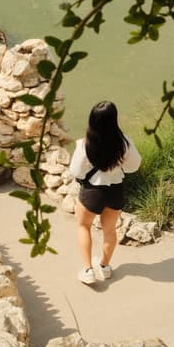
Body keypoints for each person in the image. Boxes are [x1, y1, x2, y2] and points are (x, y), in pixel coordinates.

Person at [69, 101, 141, 285]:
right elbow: (134, 166)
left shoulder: (85, 144)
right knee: (109, 230)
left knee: (84, 226)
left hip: (92, 191)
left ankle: (88, 271)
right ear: (114, 120)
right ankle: (104, 267)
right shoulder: (124, 142)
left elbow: (76, 171)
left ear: (92, 120)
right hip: (115, 190)